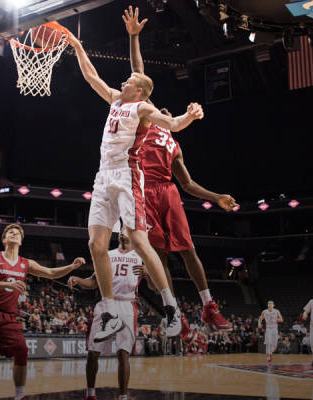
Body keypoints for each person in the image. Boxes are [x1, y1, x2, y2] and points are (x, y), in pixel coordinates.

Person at [68, 20, 204, 340]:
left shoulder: (142, 107)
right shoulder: (116, 99)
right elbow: (91, 76)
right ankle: (111, 312)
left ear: (139, 90)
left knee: (139, 241)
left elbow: (169, 121)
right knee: (96, 244)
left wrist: (188, 116)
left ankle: (170, 307)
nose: (123, 81)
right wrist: (77, 47)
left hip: (128, 177)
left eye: (129, 80)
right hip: (103, 177)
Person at [123, 5, 235, 336]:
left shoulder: (174, 145)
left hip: (168, 192)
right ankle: (174, 312)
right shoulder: (146, 117)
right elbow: (139, 72)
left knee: (187, 250)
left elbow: (187, 184)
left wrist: (216, 197)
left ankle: (208, 306)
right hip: (142, 189)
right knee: (157, 256)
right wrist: (134, 38)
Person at [0, 224, 84, 400]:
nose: (14, 234)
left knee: (22, 350)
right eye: (10, 232)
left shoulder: (26, 263)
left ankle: (20, 396)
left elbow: (50, 272)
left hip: (8, 315)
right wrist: (8, 284)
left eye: (17, 233)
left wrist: (71, 267)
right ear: (4, 239)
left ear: (21, 240)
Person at [68, 225, 150, 400]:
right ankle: (90, 394)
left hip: (127, 305)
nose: (122, 231)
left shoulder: (142, 256)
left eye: (127, 229)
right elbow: (93, 282)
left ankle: (122, 396)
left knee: (123, 353)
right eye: (121, 229)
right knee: (93, 352)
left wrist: (149, 273)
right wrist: (78, 280)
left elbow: (154, 287)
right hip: (106, 303)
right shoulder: (107, 255)